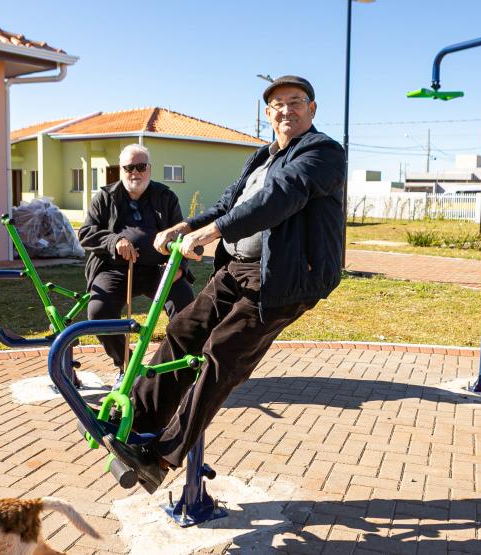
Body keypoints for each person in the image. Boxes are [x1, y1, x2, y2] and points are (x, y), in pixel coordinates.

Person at [104, 76, 345, 492]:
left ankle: (161, 457)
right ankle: (134, 424)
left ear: (312, 109)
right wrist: (186, 225)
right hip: (235, 269)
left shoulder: (323, 153)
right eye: (277, 104)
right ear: (267, 114)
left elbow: (279, 199)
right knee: (182, 331)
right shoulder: (261, 158)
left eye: (295, 102)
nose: (286, 110)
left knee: (222, 352)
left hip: (283, 277)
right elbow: (228, 202)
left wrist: (209, 233)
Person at [77, 144, 195, 386]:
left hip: (159, 270)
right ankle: (127, 367)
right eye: (129, 167)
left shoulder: (166, 197)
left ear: (149, 169)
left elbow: (181, 234)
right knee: (98, 312)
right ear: (120, 170)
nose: (135, 173)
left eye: (141, 166)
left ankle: (179, 367)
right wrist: (114, 241)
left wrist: (179, 268)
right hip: (115, 269)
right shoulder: (104, 197)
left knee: (185, 303)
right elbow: (86, 233)